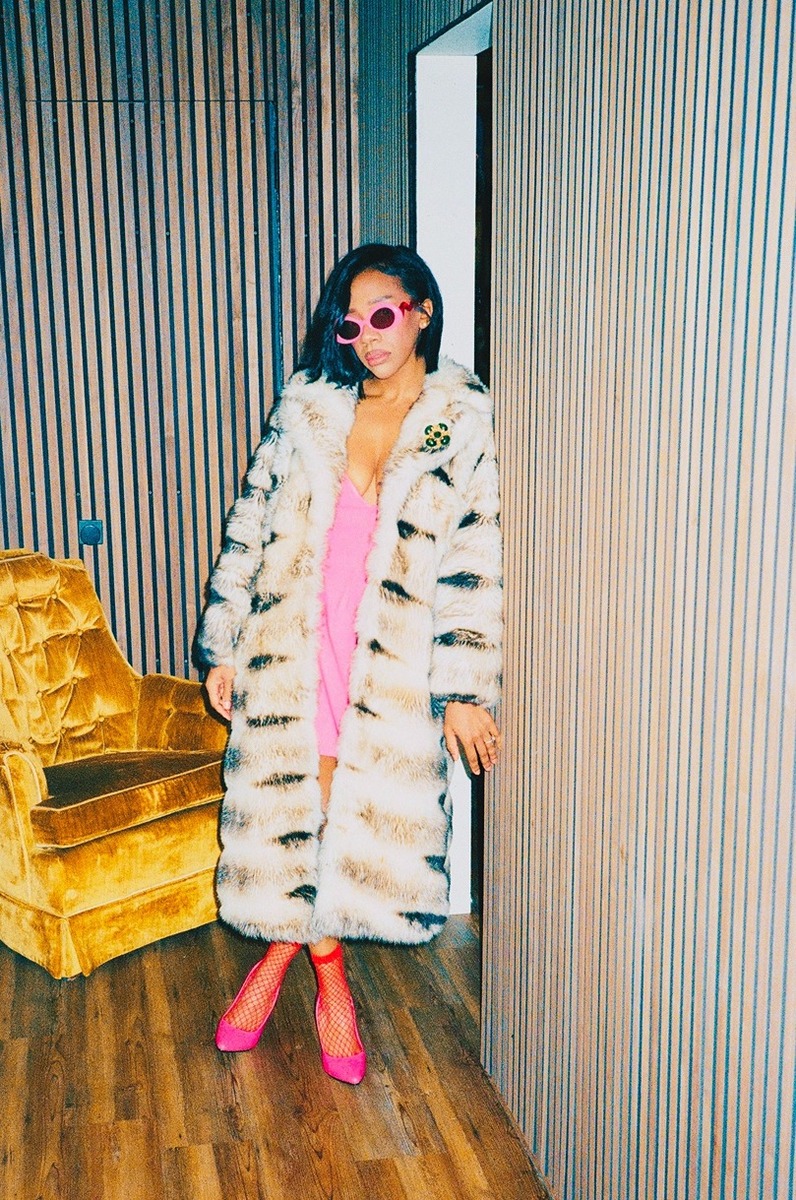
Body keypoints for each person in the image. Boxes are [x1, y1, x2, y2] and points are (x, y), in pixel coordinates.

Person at [197, 243, 503, 1086]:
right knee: (297, 807)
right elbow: (249, 529)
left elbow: (475, 560)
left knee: (337, 812)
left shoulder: (461, 423)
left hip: (387, 662)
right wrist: (226, 645)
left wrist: (465, 689)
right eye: (352, 323)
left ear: (421, 311)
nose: (369, 337)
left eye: (384, 315)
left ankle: (282, 965)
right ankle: (326, 977)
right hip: (293, 645)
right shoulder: (308, 410)